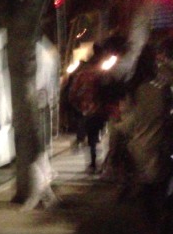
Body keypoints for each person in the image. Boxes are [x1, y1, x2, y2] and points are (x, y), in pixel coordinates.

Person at [113, 43, 173, 219]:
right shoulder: (161, 86)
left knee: (149, 185)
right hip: (158, 142)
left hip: (140, 143)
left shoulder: (135, 86)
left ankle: (149, 212)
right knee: (158, 183)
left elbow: (128, 118)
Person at [68, 36, 129, 172]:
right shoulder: (104, 73)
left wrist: (79, 107)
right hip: (103, 110)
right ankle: (102, 162)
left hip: (88, 110)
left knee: (92, 137)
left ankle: (93, 162)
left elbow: (73, 94)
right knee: (102, 136)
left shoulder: (83, 74)